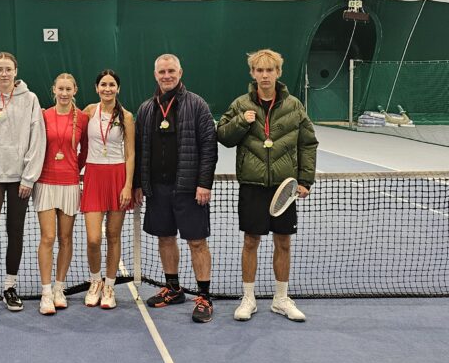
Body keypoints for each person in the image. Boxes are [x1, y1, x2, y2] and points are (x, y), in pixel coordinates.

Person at [216, 48, 318, 322]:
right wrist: (241, 121)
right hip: (252, 184)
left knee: (283, 242)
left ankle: (281, 299)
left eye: (269, 70)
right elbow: (223, 136)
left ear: (278, 73)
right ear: (253, 73)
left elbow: (308, 143)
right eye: (259, 70)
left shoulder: (294, 106)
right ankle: (248, 299)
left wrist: (305, 180)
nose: (264, 75)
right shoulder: (240, 105)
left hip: (284, 187)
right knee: (251, 241)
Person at [133, 54, 218, 322]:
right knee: (165, 238)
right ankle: (173, 289)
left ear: (180, 73)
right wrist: (138, 184)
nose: (166, 76)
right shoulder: (146, 108)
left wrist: (204, 183)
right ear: (155, 75)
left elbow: (209, 146)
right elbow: (139, 149)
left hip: (189, 189)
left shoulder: (197, 104)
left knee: (197, 242)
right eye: (162, 72)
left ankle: (204, 296)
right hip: (157, 189)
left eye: (171, 71)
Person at [0, 52, 46, 325]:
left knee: (16, 232)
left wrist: (28, 178)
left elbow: (37, 139)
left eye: (8, 69)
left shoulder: (30, 99)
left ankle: (10, 288)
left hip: (19, 179)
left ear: (16, 71)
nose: (4, 73)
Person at [33, 73, 88, 315]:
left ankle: (59, 288)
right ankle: (46, 292)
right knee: (48, 237)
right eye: (60, 89)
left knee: (66, 238)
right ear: (53, 90)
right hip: (45, 182)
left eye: (68, 89)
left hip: (69, 183)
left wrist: (73, 168)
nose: (64, 93)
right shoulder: (43, 115)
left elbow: (85, 151)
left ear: (75, 90)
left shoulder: (83, 118)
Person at [80, 70, 135, 309]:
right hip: (93, 176)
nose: (107, 89)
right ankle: (95, 281)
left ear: (118, 88)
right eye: (103, 84)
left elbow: (130, 153)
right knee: (93, 239)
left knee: (113, 235)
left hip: (117, 177)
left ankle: (109, 286)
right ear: (96, 88)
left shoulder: (126, 116)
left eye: (112, 85)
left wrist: (128, 185)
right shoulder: (88, 112)